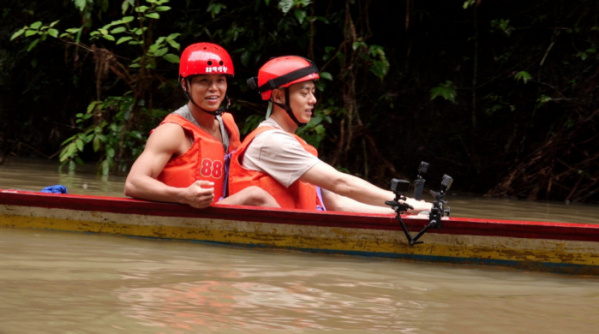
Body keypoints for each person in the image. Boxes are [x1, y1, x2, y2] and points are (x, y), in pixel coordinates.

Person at [228, 56, 431, 214]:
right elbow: (340, 183)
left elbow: (338, 203)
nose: (313, 100)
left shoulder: (295, 142)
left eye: (313, 92)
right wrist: (405, 202)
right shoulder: (271, 142)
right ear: (279, 96)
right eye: (304, 92)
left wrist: (401, 212)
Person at [124, 43, 279, 209]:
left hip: (219, 212)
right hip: (186, 214)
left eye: (220, 81)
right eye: (204, 81)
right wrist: (184, 195)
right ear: (185, 85)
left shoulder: (228, 123)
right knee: (256, 195)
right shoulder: (172, 131)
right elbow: (133, 183)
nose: (214, 89)